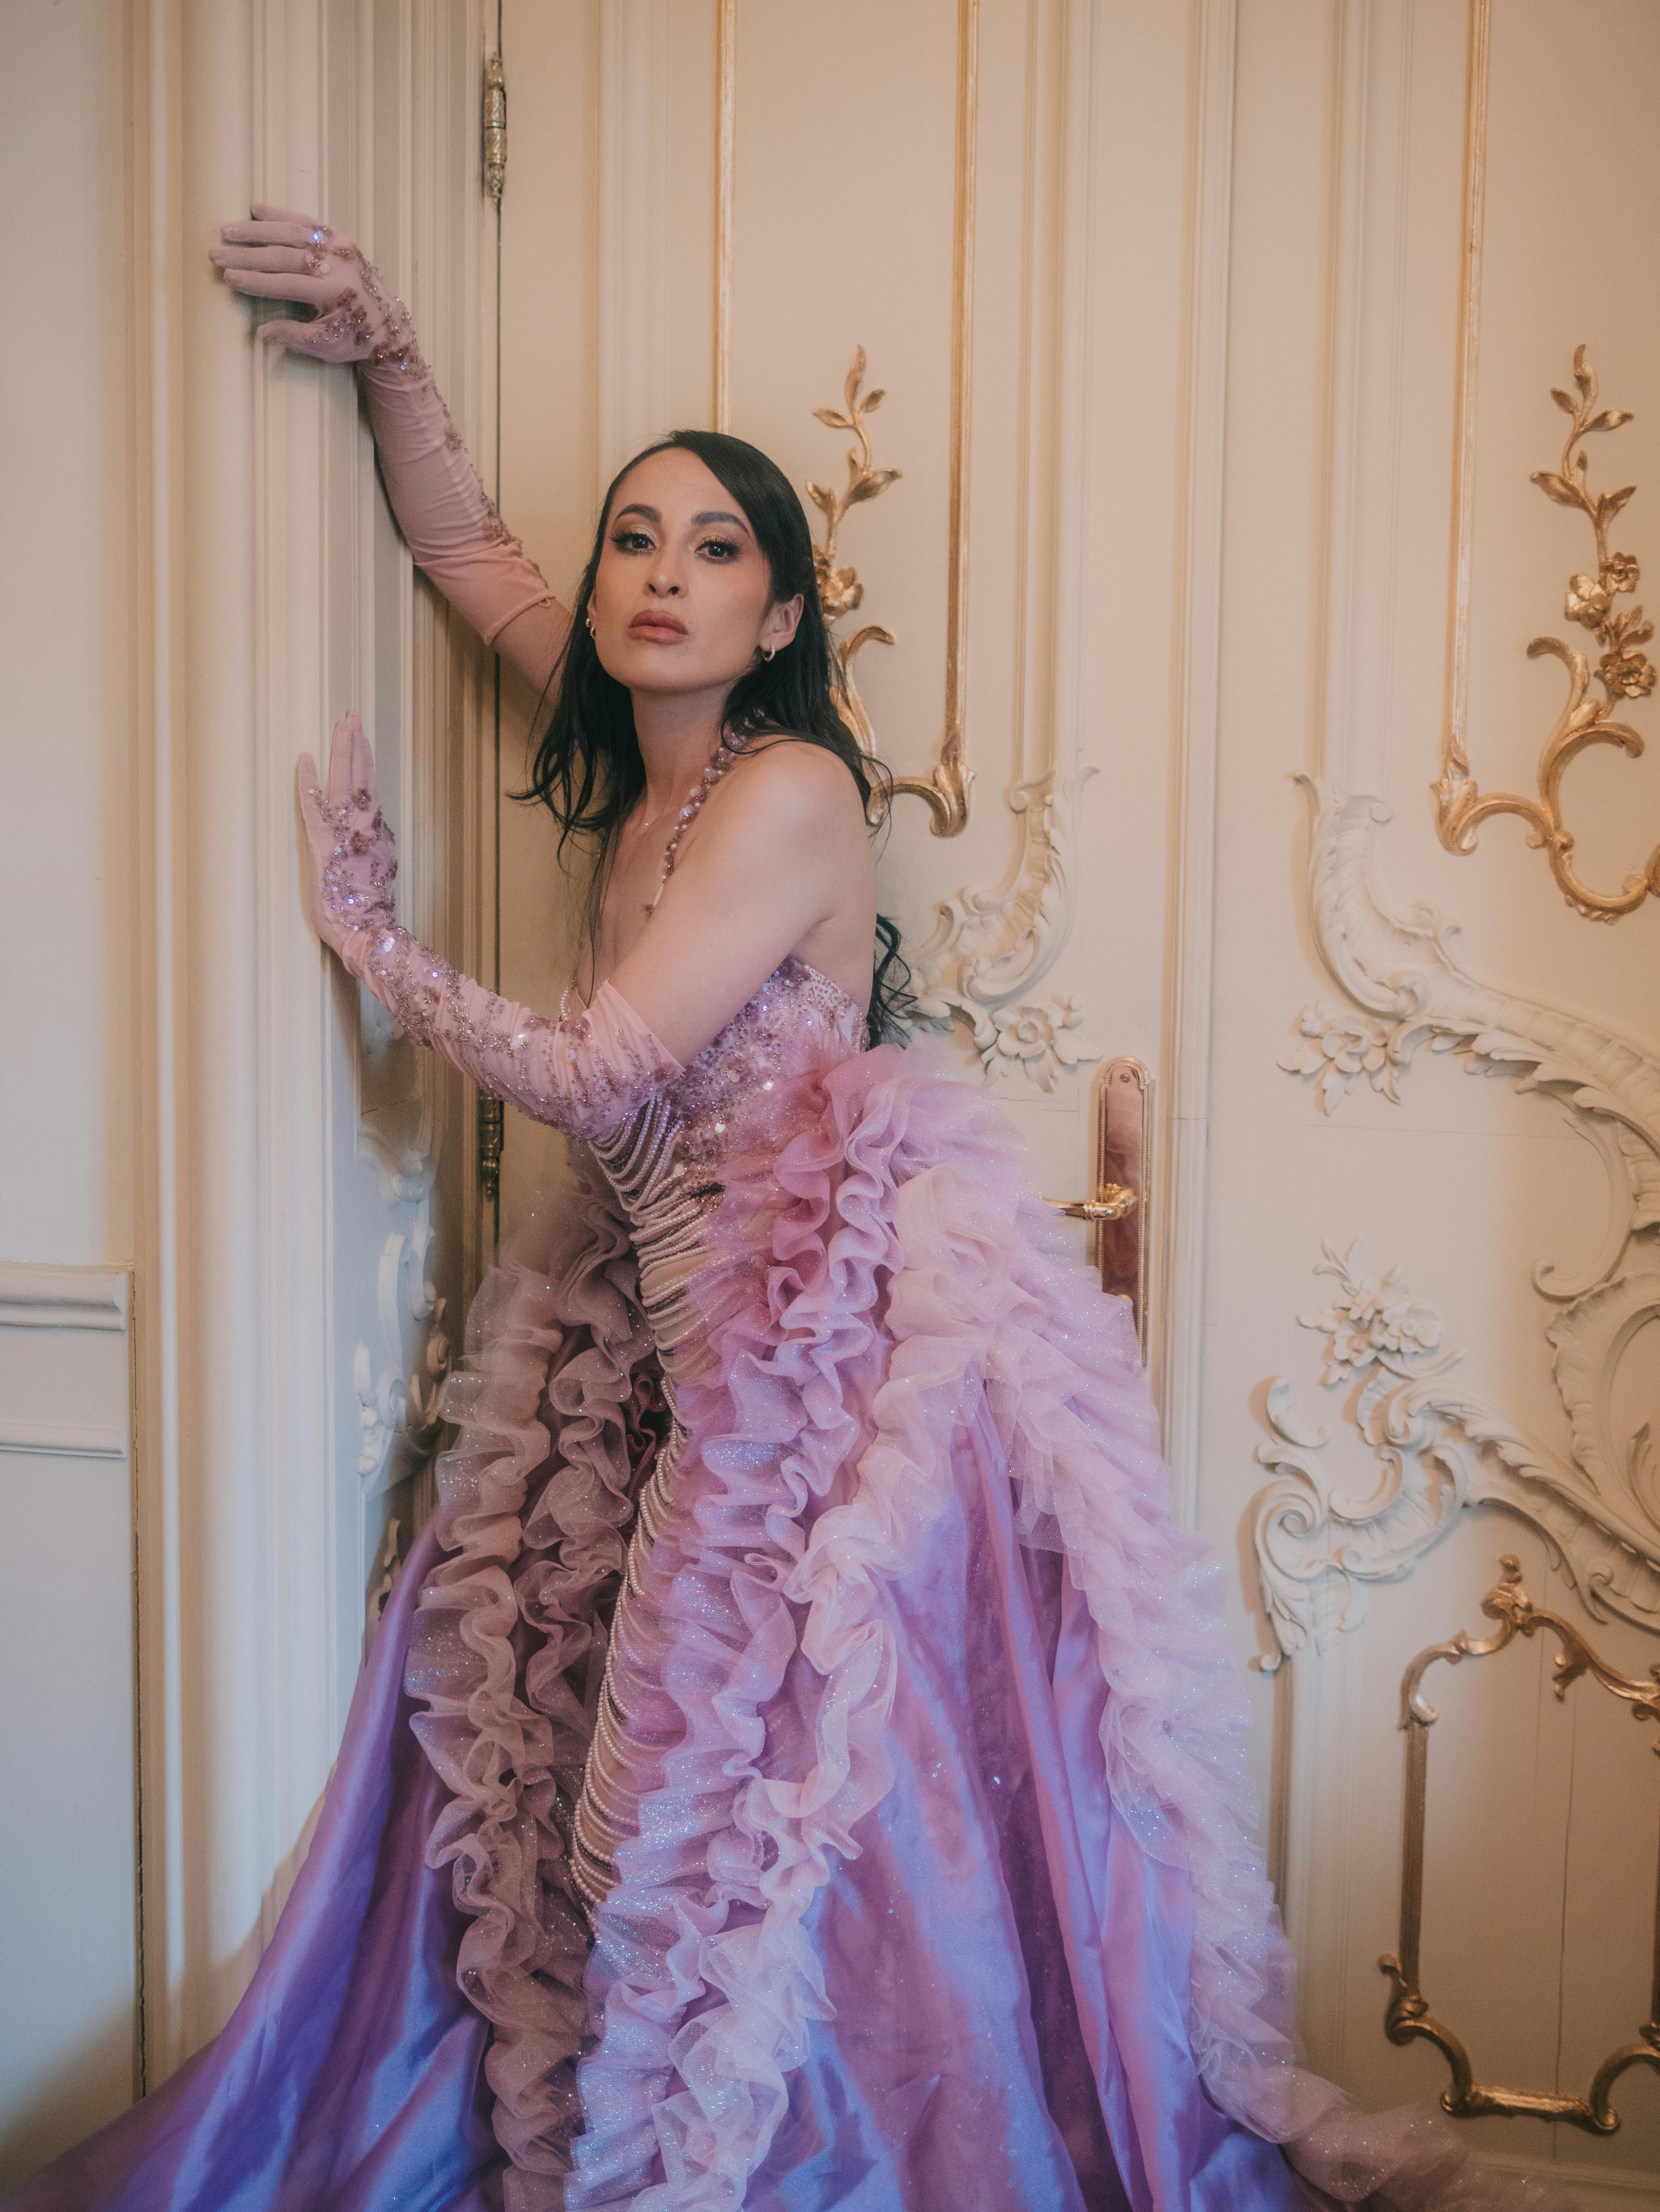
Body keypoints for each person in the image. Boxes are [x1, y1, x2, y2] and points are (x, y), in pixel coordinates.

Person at [4, 212, 1571, 2212]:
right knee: (627, 1801)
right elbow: (467, 547)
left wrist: (375, 946)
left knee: (755, 1815)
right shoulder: (639, 752)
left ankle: (815, 2166)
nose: (662, 577)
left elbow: (592, 1073)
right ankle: (695, 2148)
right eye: (637, 541)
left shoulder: (785, 793)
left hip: (814, 1361)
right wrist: (389, 353)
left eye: (715, 549)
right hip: (671, 1356)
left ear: (777, 613)